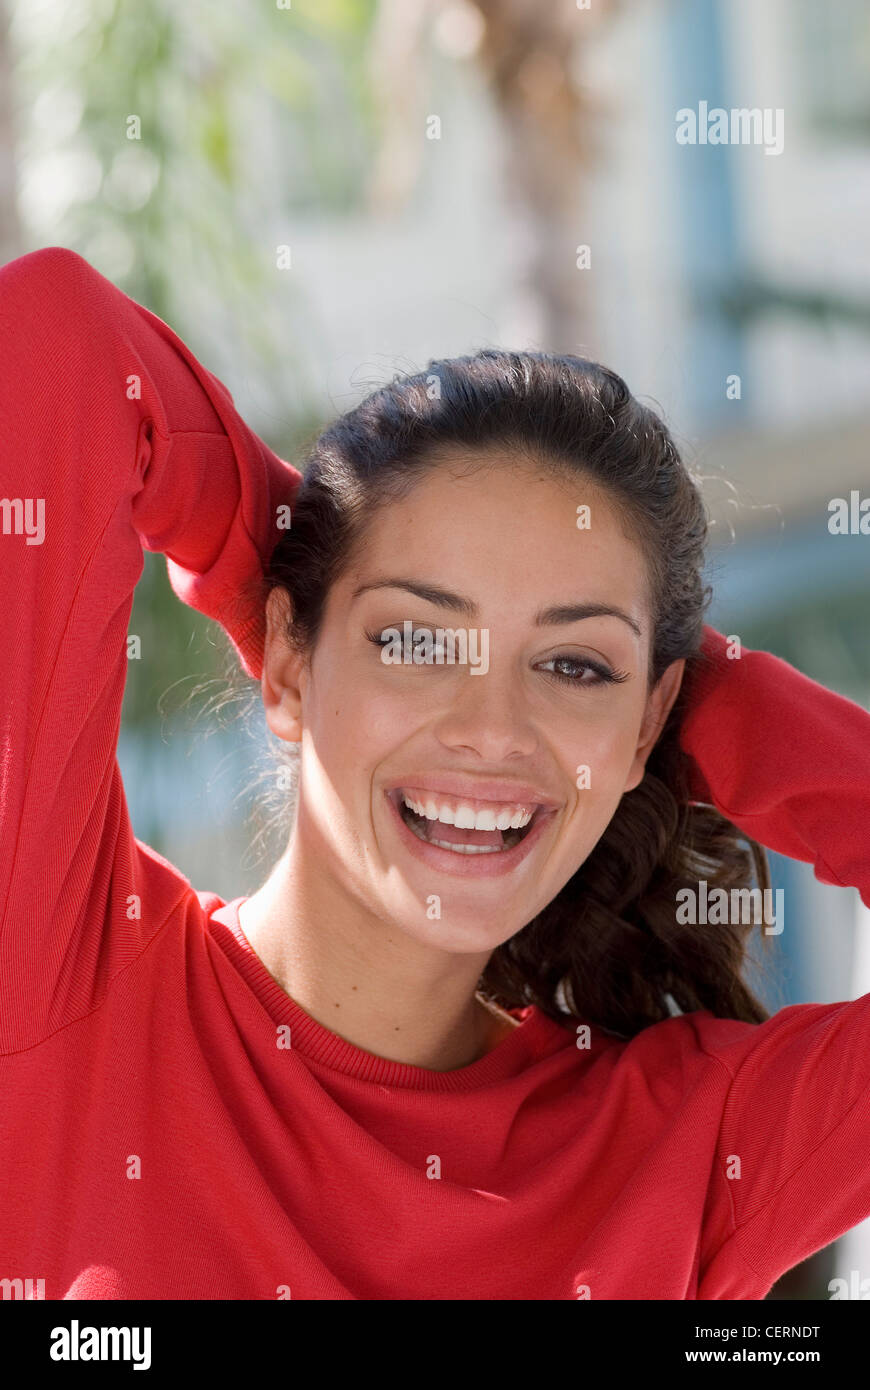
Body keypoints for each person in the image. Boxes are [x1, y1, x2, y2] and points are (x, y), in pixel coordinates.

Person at [0, 245, 867, 1301]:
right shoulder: (62, 975)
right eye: (414, 640)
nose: (493, 729)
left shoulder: (691, 1150)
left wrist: (673, 712)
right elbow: (56, 338)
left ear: (649, 726)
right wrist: (297, 560)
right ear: (282, 657)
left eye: (572, 663)